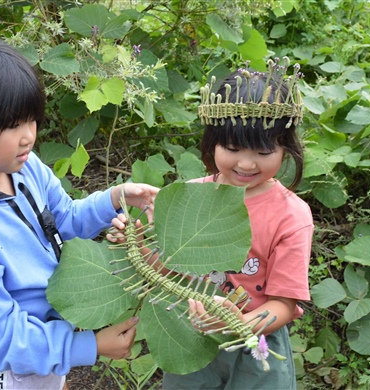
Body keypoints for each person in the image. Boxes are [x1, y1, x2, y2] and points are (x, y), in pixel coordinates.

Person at [0, 35, 159, 390]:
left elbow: (65, 221)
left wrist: (115, 197)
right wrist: (87, 346)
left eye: (31, 120)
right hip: (1, 371)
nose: (28, 136)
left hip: (45, 349)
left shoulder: (25, 170)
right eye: (12, 124)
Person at [110, 59, 313, 389]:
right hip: (189, 336)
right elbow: (168, 269)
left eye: (263, 151)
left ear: (285, 148)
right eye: (232, 148)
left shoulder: (292, 215)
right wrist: (137, 244)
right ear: (212, 143)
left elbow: (285, 305)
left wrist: (237, 325)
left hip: (255, 342)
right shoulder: (191, 195)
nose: (246, 163)